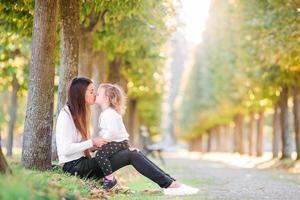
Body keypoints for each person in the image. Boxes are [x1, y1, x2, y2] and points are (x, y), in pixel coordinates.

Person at [55, 77, 199, 195]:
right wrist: (91, 142)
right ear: (81, 93)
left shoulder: (80, 113)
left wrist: (93, 145)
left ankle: (171, 182)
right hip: (74, 167)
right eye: (92, 91)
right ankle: (170, 185)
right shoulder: (66, 115)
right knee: (131, 155)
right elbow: (65, 150)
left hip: (82, 163)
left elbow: (80, 146)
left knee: (133, 153)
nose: (94, 94)